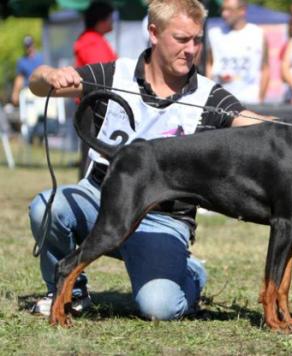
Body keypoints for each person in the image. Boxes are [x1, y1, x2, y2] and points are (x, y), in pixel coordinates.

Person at [28, 0, 267, 320]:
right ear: (154, 33)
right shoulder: (114, 73)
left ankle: (190, 272)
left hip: (164, 219)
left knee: (160, 308)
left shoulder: (209, 97)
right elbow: (38, 86)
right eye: (181, 39)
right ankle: (71, 291)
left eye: (197, 40)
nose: (191, 49)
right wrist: (50, 74)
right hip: (100, 200)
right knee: (47, 206)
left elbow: (252, 124)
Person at [74, 1, 118, 178]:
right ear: (101, 21)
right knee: (90, 160)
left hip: (95, 105)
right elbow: (100, 79)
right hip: (94, 107)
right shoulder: (92, 42)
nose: (112, 22)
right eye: (110, 19)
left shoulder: (93, 40)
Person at [206, 0, 270, 104]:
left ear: (242, 11)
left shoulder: (257, 34)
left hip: (250, 101)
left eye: (229, 10)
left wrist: (260, 99)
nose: (224, 14)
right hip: (220, 101)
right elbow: (209, 64)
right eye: (223, 9)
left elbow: (265, 68)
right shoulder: (214, 34)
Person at [10, 35, 44, 107]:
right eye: (27, 46)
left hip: (43, 89)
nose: (29, 48)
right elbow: (19, 78)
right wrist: (15, 93)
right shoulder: (22, 61)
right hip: (29, 92)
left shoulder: (41, 57)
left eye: (30, 45)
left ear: (33, 44)